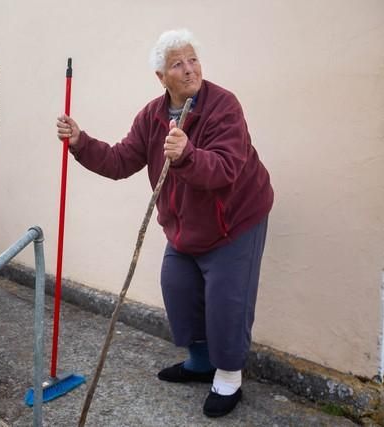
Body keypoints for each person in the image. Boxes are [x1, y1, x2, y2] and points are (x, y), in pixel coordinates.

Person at [56, 28, 273, 418]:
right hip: (185, 226)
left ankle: (228, 376)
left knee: (228, 300)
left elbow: (226, 168)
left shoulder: (223, 106)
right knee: (178, 289)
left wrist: (188, 155)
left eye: (193, 60)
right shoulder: (153, 116)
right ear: (161, 77)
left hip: (234, 221)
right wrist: (80, 142)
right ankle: (200, 362)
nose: (190, 70)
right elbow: (121, 160)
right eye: (178, 64)